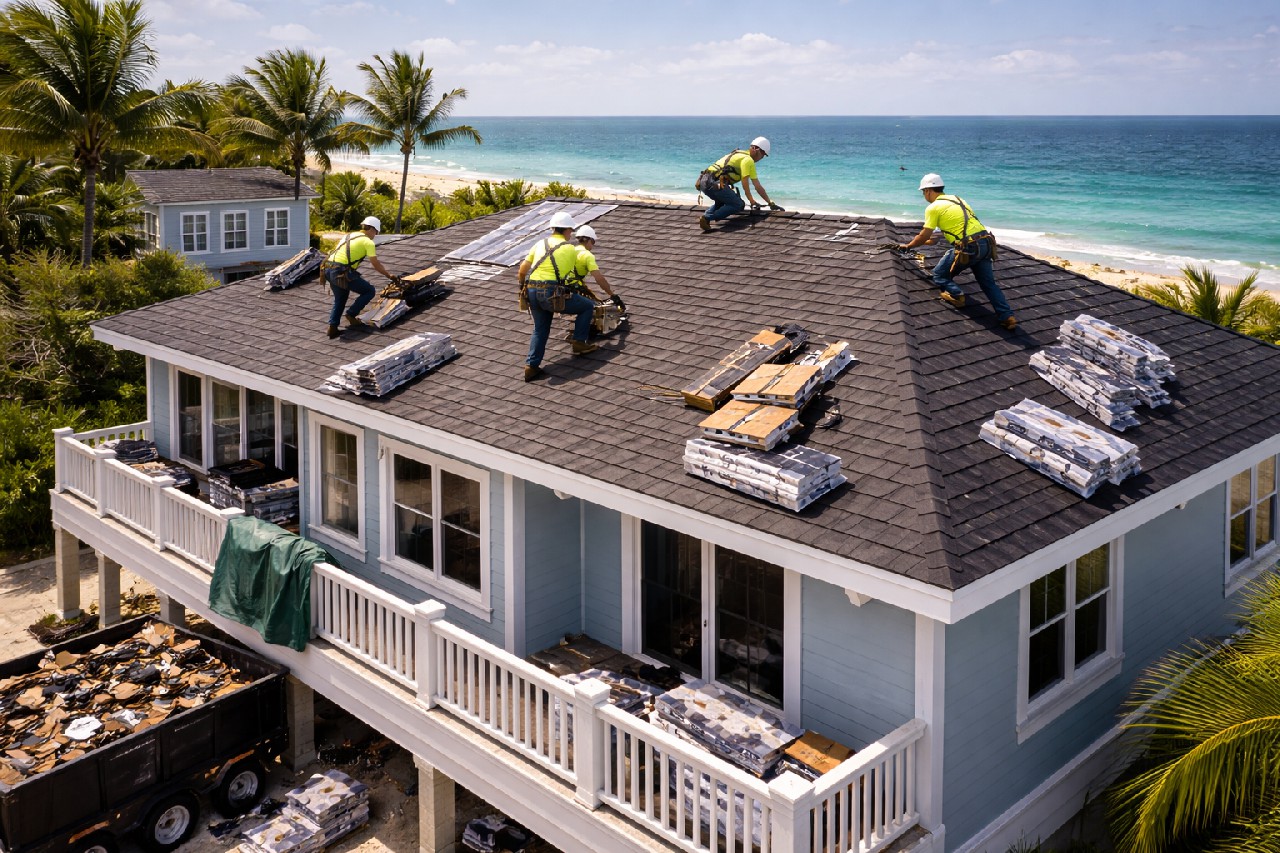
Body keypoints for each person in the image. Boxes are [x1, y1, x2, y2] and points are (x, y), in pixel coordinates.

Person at [899, 173, 1017, 331]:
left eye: (923, 192)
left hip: (968, 247)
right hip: (985, 242)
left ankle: (957, 295)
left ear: (928, 191)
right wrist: (936, 238)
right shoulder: (958, 199)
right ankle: (1007, 317)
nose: (924, 196)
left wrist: (909, 246)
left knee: (940, 274)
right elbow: (960, 224)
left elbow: (924, 235)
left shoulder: (933, 208)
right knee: (988, 284)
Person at [517, 211, 597, 382]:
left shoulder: (540, 243)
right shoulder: (569, 249)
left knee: (540, 328)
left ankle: (531, 367)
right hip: (550, 291)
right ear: (567, 230)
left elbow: (522, 270)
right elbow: (570, 276)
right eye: (571, 231)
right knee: (587, 306)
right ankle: (579, 343)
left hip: (531, 290)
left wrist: (522, 285)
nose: (571, 234)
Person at [323, 215, 395, 339]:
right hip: (341, 271)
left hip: (327, 269)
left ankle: (333, 328)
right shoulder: (368, 242)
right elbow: (375, 264)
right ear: (372, 229)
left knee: (341, 297)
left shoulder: (349, 235)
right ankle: (351, 314)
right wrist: (389, 275)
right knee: (369, 290)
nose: (375, 235)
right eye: (376, 233)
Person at [696, 136, 782, 231]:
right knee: (738, 204)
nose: (762, 157)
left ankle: (706, 218)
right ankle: (707, 218)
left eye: (764, 155)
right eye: (762, 154)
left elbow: (757, 185)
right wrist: (752, 201)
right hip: (714, 183)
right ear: (755, 149)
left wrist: (769, 202)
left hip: (704, 182)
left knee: (723, 202)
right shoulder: (748, 160)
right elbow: (745, 184)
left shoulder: (741, 154)